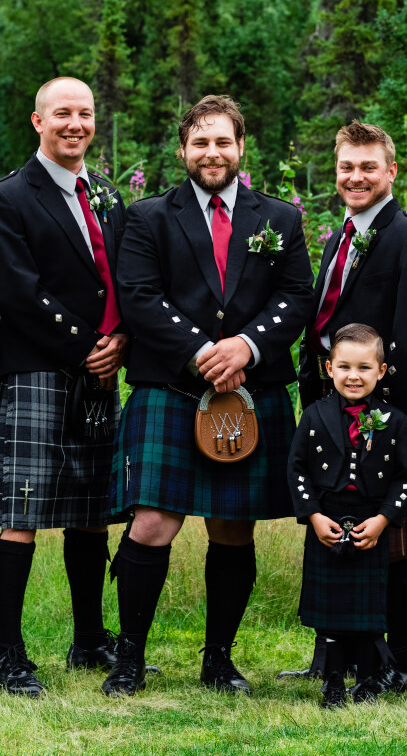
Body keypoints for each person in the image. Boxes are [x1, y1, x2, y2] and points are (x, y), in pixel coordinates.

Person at [104, 94, 314, 697]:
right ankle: (130, 659)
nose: (212, 153)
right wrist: (203, 352)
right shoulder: (147, 217)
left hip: (252, 390)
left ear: (240, 147)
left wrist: (247, 346)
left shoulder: (279, 217)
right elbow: (139, 295)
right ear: (183, 150)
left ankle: (218, 659)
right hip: (172, 386)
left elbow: (296, 297)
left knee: (234, 526)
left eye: (223, 142)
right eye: (201, 143)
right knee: (151, 524)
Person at [282, 121, 407, 691]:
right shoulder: (339, 236)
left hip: (386, 418)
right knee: (336, 539)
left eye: (368, 167)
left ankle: (396, 663)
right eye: (347, 167)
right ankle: (339, 658)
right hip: (334, 415)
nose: (356, 177)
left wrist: (381, 418)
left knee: (393, 543)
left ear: (391, 171)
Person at [0, 76, 130, 696]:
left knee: (92, 511)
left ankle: (89, 636)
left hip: (101, 373)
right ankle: (8, 653)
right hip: (39, 370)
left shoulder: (108, 195)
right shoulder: (8, 197)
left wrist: (124, 344)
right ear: (36, 121)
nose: (75, 123)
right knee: (22, 511)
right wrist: (87, 344)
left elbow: (124, 281)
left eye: (85, 113)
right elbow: (14, 288)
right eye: (62, 113)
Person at [288, 324, 407, 708]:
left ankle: (368, 682)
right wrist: (312, 515)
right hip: (326, 520)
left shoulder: (392, 420)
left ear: (380, 371)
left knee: (367, 613)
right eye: (344, 366)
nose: (353, 376)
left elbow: (405, 478)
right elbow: (296, 469)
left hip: (369, 521)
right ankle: (332, 682)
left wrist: (383, 520)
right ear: (329, 368)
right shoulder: (314, 415)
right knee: (329, 612)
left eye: (364, 368)